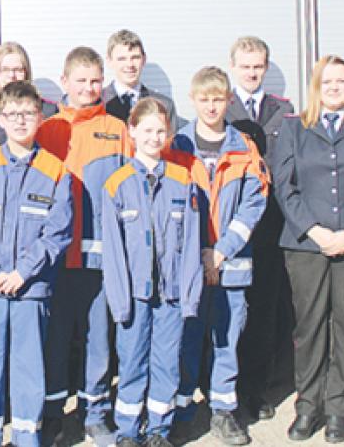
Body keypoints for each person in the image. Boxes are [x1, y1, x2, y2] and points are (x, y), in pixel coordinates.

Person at [272, 55, 344, 443]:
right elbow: (284, 186)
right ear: (316, 87)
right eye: (327, 82)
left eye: (341, 81)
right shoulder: (294, 129)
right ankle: (308, 405)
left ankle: (340, 407)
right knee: (309, 328)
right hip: (307, 246)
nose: (335, 88)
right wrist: (315, 230)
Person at [0, 80, 73, 447]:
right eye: (12, 114)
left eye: (28, 113)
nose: (20, 121)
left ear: (40, 117)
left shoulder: (56, 172)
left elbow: (57, 234)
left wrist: (23, 272)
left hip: (31, 288)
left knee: (29, 367)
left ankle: (27, 437)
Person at [37, 46, 131, 447]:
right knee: (55, 340)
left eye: (95, 81)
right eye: (81, 81)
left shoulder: (117, 129)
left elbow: (129, 190)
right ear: (64, 81)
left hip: (99, 259)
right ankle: (53, 416)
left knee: (98, 340)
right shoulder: (47, 129)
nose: (89, 88)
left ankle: (95, 414)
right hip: (55, 259)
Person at [169, 67, 267, 446]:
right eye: (204, 99)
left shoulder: (244, 147)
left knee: (227, 339)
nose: (211, 106)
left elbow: (254, 202)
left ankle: (223, 411)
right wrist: (199, 256)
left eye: (218, 99)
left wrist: (221, 251)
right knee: (187, 338)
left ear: (229, 100)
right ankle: (182, 412)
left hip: (232, 264)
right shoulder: (177, 145)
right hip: (190, 267)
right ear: (192, 100)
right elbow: (169, 205)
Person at [102, 98, 202, 447]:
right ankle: (128, 431)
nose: (154, 137)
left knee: (166, 364)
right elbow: (113, 252)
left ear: (169, 134)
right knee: (131, 363)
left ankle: (159, 429)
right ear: (131, 131)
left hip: (170, 295)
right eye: (147, 130)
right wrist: (120, 303)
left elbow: (191, 244)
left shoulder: (182, 181)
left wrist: (189, 296)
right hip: (135, 296)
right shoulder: (116, 184)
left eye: (161, 131)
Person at [224, 36, 295, 421]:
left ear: (265, 68)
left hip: (271, 226)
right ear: (233, 67)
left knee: (265, 309)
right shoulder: (221, 107)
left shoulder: (284, 110)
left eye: (257, 67)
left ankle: (256, 388)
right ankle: (225, 387)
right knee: (230, 311)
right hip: (232, 225)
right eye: (245, 66)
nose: (251, 73)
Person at [0, 42, 58, 145]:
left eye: (18, 70)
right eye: (5, 69)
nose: (12, 75)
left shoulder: (48, 112)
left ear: (27, 73)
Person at [101, 30, 179, 130]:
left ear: (144, 59)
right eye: (122, 59)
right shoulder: (98, 103)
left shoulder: (164, 105)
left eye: (135, 57)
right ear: (109, 61)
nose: (129, 64)